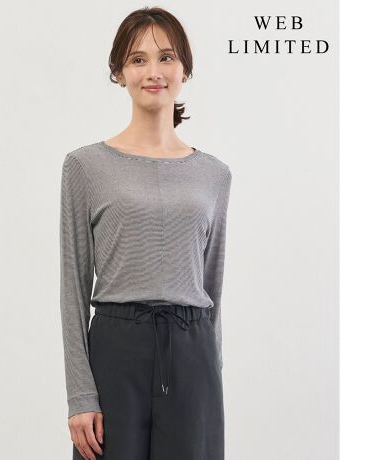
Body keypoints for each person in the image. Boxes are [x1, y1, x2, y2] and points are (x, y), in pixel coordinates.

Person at [59, 6, 232, 460]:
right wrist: (80, 396)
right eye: (138, 59)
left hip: (192, 354)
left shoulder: (214, 175)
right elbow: (72, 288)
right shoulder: (85, 167)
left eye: (166, 57)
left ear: (184, 69)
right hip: (116, 350)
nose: (153, 72)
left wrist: (210, 380)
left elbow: (212, 287)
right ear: (119, 72)